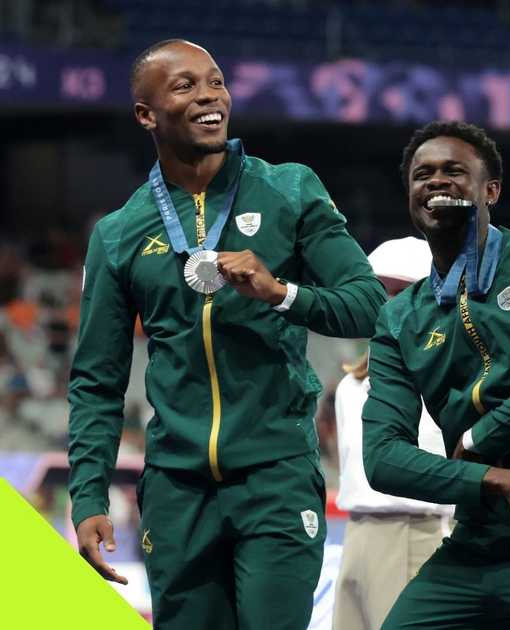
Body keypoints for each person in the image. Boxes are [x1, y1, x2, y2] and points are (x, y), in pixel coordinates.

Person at [67, 39, 385, 630]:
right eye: (185, 86)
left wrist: (281, 293)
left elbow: (368, 307)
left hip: (276, 475)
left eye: (216, 82)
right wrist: (88, 495)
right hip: (174, 487)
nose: (210, 96)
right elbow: (97, 380)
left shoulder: (290, 189)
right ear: (146, 114)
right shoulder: (120, 232)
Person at [362, 121, 510, 629]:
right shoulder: (400, 317)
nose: (436, 181)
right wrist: (493, 479)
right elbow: (382, 459)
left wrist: (476, 442)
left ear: (491, 189)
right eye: (422, 175)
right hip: (474, 546)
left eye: (454, 171)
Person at [332, 236, 454, 630]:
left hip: (413, 531)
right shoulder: (350, 386)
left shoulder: (449, 377)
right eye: (381, 291)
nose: (389, 303)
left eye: (402, 290)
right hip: (356, 532)